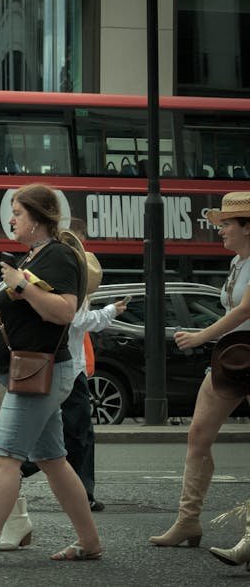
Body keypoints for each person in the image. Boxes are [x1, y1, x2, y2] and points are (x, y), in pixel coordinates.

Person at [0, 183, 100, 565]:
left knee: (4, 458)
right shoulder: (33, 257)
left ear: (39, 218)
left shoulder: (58, 256)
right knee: (53, 460)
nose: (11, 219)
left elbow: (64, 312)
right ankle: (90, 542)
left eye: (18, 213)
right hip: (30, 370)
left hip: (40, 371)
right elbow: (1, 320)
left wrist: (23, 285)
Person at [151, 191, 250, 549]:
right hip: (232, 356)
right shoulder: (238, 262)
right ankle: (188, 521)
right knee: (197, 436)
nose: (220, 230)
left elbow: (243, 312)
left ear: (248, 227)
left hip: (242, 350)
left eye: (226, 225)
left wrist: (198, 337)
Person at [15, 236, 126, 517]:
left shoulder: (60, 291)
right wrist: (112, 310)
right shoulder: (66, 296)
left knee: (68, 431)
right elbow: (79, 321)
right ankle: (22, 468)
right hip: (67, 369)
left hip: (63, 368)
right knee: (75, 433)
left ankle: (23, 469)